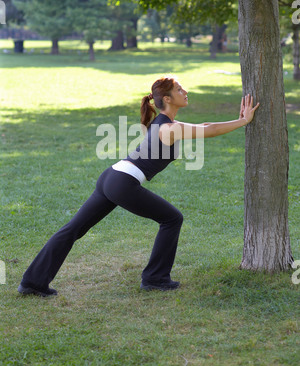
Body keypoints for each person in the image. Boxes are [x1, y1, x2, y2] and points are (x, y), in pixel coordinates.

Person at [17, 76, 259, 296]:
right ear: (167, 98)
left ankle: (32, 282)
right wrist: (243, 121)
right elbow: (210, 130)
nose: (185, 91)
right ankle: (155, 278)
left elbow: (206, 124)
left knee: (73, 229)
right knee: (172, 219)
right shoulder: (168, 128)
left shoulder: (165, 123)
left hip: (111, 177)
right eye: (179, 89)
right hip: (123, 182)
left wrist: (239, 120)